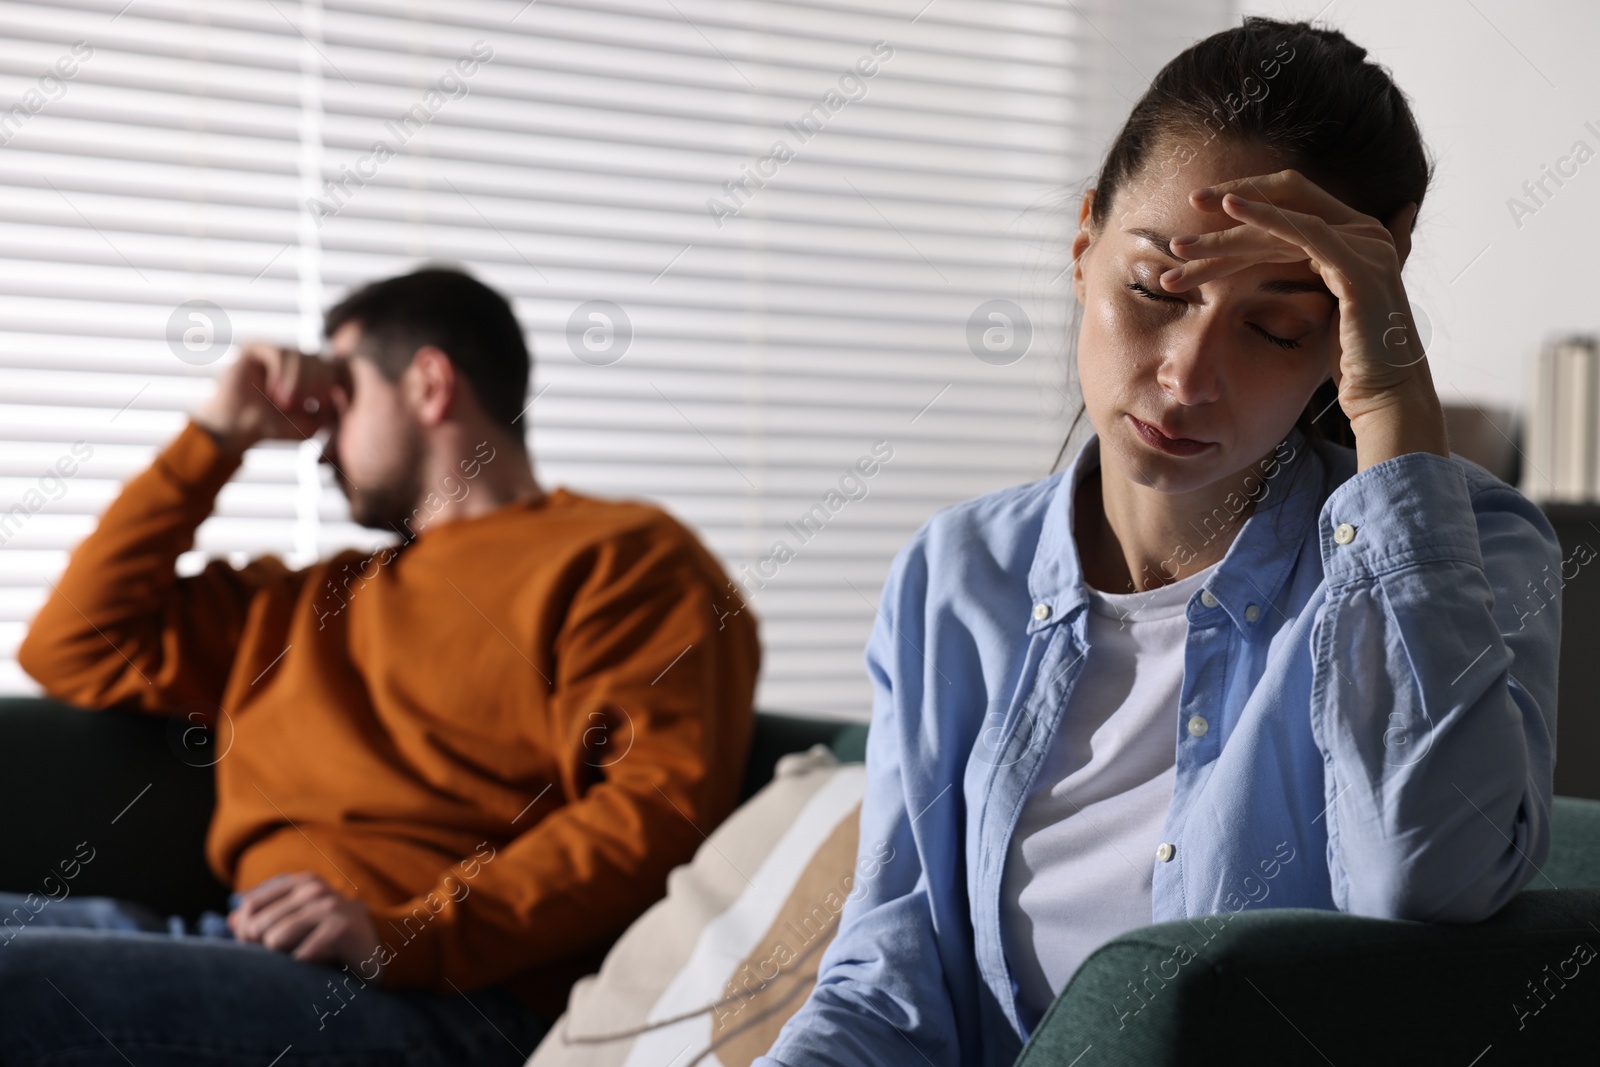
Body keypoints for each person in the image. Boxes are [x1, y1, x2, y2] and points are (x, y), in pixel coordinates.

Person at [755, 17, 1558, 1067]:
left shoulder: (1472, 547)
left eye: (1274, 327)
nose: (1186, 376)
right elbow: (888, 986)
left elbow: (1429, 877)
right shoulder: (956, 575)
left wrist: (1395, 402)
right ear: (1084, 243)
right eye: (1155, 291)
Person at [10, 266, 761, 1065]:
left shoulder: (622, 557)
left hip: (449, 997)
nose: (319, 444)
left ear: (430, 384)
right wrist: (217, 435)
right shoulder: (304, 598)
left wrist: (407, 932)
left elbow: (656, 807)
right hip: (238, 940)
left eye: (340, 398)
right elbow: (71, 644)